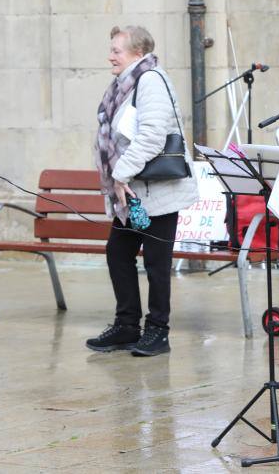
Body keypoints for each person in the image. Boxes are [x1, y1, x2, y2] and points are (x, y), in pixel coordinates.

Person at [87, 25, 199, 357]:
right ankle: (126, 327)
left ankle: (158, 332)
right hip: (133, 192)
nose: (110, 56)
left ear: (138, 53)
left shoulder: (150, 81)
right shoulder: (127, 82)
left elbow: (152, 135)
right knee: (118, 253)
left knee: (156, 263)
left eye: (116, 50)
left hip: (157, 191)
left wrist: (120, 174)